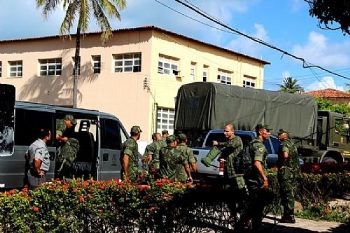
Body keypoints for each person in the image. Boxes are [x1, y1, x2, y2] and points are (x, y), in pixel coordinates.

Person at [236, 124, 271, 232]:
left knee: (253, 203)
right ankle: (251, 226)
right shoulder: (259, 146)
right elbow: (257, 163)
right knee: (257, 205)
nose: (269, 133)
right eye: (267, 131)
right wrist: (264, 178)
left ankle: (244, 224)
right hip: (256, 179)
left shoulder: (251, 143)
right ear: (260, 132)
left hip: (250, 177)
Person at [201, 123, 245, 190]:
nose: (224, 133)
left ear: (232, 131)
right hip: (227, 172)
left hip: (236, 172)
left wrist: (218, 143)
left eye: (227, 131)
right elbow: (225, 153)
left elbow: (231, 145)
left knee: (240, 189)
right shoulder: (227, 143)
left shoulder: (237, 139)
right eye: (224, 131)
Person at [277, 129, 300, 223]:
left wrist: (283, 164)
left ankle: (289, 216)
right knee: (290, 193)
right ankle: (289, 215)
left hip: (286, 173)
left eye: (279, 134)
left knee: (286, 194)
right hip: (293, 173)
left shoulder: (284, 144)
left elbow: (285, 155)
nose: (278, 136)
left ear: (284, 135)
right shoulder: (292, 144)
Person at [55, 114, 80, 179]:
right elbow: (57, 136)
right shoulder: (63, 124)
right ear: (67, 120)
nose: (71, 125)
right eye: (71, 123)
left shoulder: (57, 121)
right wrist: (63, 139)